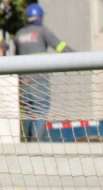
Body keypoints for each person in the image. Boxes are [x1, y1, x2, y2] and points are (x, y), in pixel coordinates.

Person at [13, 3, 72, 141]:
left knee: (28, 112)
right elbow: (60, 46)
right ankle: (36, 142)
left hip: (23, 82)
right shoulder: (42, 31)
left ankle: (28, 141)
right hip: (39, 80)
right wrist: (79, 57)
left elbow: (15, 59)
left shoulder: (19, 34)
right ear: (40, 17)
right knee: (40, 110)